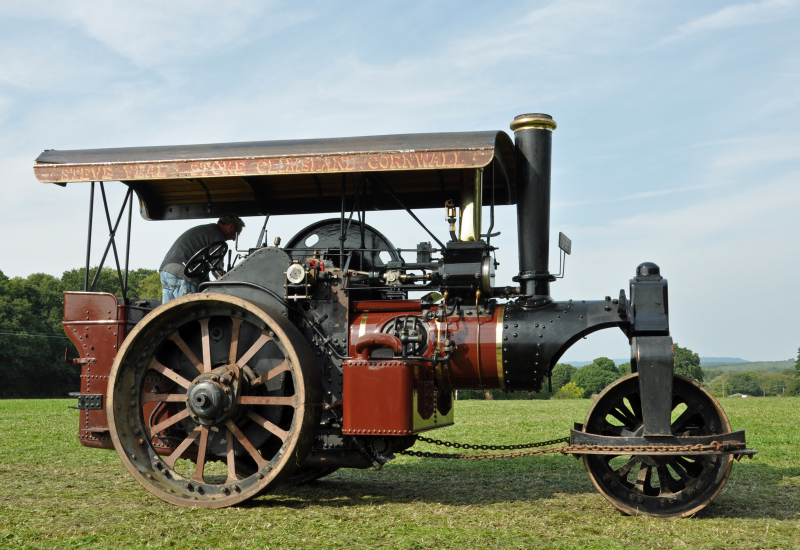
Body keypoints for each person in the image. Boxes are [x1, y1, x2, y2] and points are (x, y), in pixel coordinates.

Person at [159, 213, 245, 303]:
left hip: (166, 271)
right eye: (236, 233)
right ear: (231, 226)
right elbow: (217, 270)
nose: (234, 239)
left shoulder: (207, 231)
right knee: (191, 311)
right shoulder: (217, 236)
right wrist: (229, 284)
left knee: (169, 313)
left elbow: (205, 265)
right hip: (183, 274)